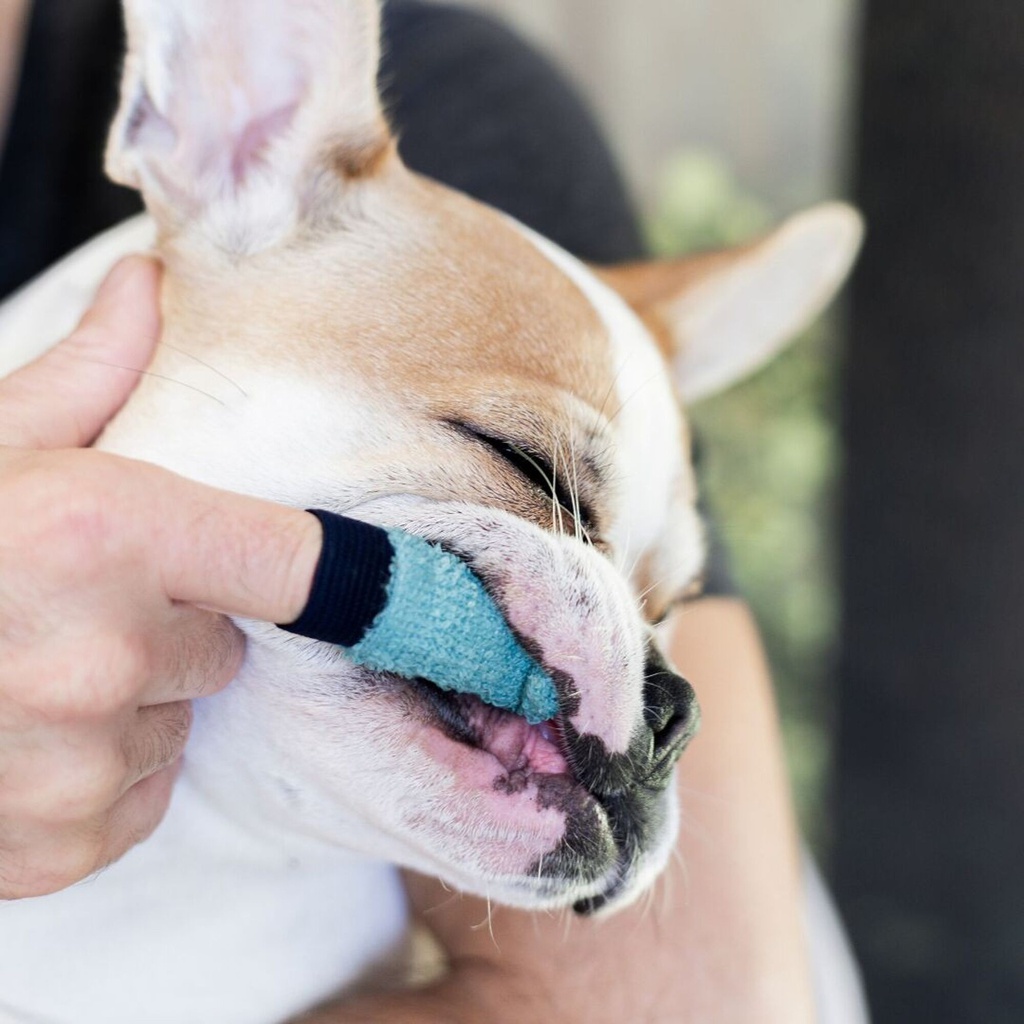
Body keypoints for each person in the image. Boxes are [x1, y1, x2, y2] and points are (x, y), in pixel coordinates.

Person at [0, 1, 865, 1020]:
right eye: (515, 459)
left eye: (654, 611)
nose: (643, 679)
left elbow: (683, 1006)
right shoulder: (261, 147)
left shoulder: (460, 102)